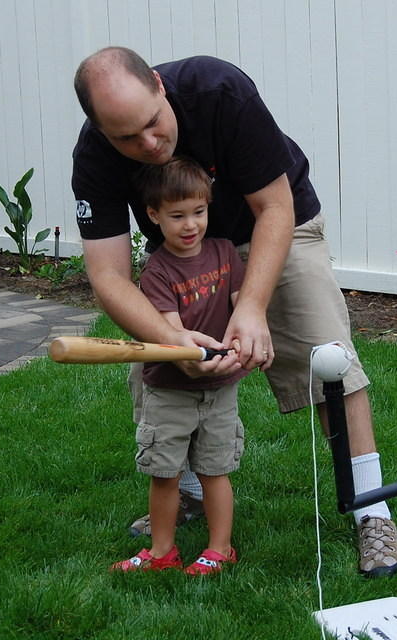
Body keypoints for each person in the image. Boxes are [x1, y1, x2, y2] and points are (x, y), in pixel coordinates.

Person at [72, 46, 397, 577]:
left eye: (152, 124)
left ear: (160, 86)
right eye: (126, 138)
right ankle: (187, 492)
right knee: (159, 368)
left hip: (275, 224)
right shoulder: (94, 157)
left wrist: (251, 306)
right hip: (182, 245)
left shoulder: (219, 91)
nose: (149, 145)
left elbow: (274, 207)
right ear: (98, 128)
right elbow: (109, 276)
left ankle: (373, 509)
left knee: (329, 357)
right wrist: (172, 340)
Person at [111, 156, 245, 574]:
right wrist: (198, 355)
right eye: (177, 215)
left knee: (215, 470)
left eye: (199, 212)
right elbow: (169, 330)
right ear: (154, 216)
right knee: (165, 473)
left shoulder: (225, 253)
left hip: (219, 388)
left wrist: (243, 344)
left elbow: (244, 309)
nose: (190, 225)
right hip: (169, 390)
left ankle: (220, 549)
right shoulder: (157, 271)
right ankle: (161, 552)